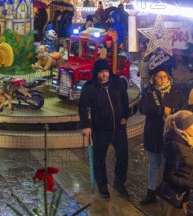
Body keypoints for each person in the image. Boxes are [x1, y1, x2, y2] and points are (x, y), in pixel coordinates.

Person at [78, 58, 130, 199]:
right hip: (100, 129)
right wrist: (86, 125)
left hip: (119, 127)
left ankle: (119, 183)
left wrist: (125, 115)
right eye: (100, 72)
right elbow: (82, 107)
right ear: (96, 73)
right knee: (99, 157)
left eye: (106, 71)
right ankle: (102, 185)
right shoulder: (90, 87)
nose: (104, 75)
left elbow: (125, 99)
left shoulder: (118, 82)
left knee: (123, 156)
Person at [139, 66, 186, 205]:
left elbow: (183, 111)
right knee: (153, 165)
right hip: (152, 135)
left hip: (169, 138)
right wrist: (161, 110)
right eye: (158, 76)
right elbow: (143, 108)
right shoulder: (148, 91)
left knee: (168, 167)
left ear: (169, 78)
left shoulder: (176, 92)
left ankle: (167, 195)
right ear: (153, 78)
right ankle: (151, 192)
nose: (161, 79)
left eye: (164, 76)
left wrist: (171, 111)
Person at [162, 110, 193, 215]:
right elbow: (168, 176)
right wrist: (189, 183)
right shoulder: (175, 146)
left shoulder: (188, 140)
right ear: (185, 127)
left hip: (186, 195)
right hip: (177, 198)